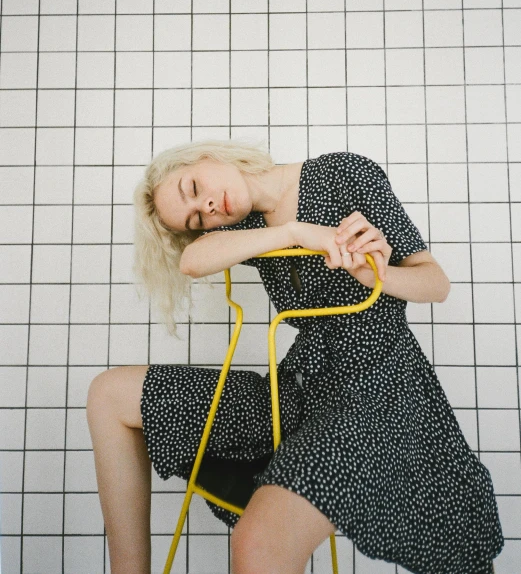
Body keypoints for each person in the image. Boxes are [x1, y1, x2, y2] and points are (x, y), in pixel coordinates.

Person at [87, 138, 504, 574]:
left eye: (193, 187)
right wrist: (293, 232)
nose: (208, 206)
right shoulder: (242, 224)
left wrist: (371, 274)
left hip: (375, 388)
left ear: (207, 156)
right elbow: (193, 259)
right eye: (195, 216)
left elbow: (435, 283)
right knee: (108, 395)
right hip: (299, 390)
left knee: (259, 543)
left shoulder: (342, 174)